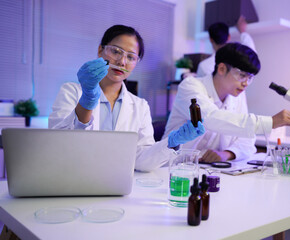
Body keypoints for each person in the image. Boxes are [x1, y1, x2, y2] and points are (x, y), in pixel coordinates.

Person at [49, 25, 205, 172]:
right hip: (75, 177)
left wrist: (173, 142)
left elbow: (142, 161)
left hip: (119, 186)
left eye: (131, 57)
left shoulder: (140, 106)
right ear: (100, 50)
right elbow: (57, 145)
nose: (122, 62)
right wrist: (87, 100)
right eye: (116, 51)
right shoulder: (71, 92)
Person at [163, 42, 290, 163]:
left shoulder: (237, 95)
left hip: (211, 170)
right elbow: (210, 118)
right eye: (242, 75)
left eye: (250, 78)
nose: (246, 83)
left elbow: (247, 141)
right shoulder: (190, 86)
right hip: (173, 167)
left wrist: (226, 154)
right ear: (222, 68)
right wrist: (270, 122)